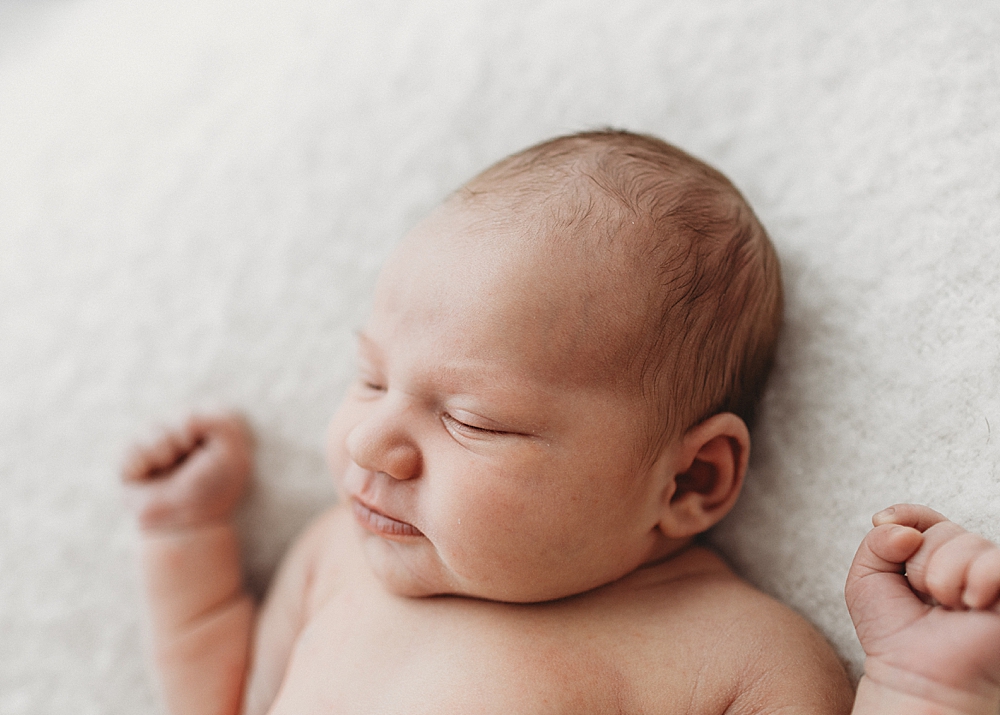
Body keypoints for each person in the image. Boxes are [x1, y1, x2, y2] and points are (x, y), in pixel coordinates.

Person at [122, 130, 1000, 715]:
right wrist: (183, 537)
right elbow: (222, 699)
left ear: (690, 480)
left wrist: (924, 685)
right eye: (370, 377)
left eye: (470, 420)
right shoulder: (341, 558)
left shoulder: (730, 652)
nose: (366, 441)